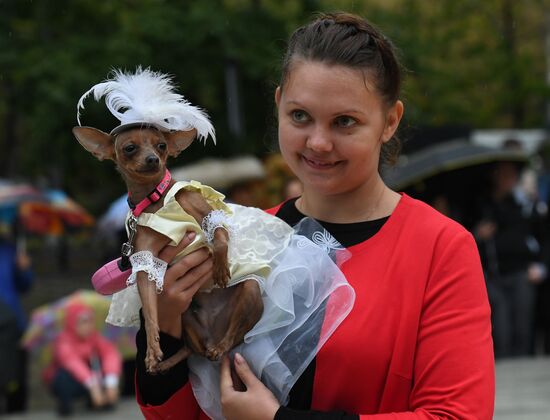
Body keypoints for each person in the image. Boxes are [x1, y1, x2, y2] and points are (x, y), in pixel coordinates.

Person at [128, 12, 495, 419]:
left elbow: (459, 414)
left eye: (345, 122)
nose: (318, 142)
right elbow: (181, 414)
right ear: (279, 104)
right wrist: (163, 324)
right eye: (300, 116)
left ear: (390, 122)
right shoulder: (238, 235)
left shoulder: (440, 248)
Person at [474, 160, 547, 358]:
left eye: (512, 175)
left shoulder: (523, 203)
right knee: (501, 329)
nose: (509, 180)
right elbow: (470, 238)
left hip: (521, 273)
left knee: (523, 328)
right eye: (504, 174)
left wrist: (541, 266)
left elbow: (541, 236)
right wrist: (479, 235)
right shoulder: (483, 204)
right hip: (495, 275)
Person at [42, 301, 122, 416]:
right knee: (63, 376)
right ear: (72, 322)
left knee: (101, 365)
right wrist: (93, 386)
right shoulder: (63, 340)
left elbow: (111, 354)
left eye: (90, 321)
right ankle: (65, 405)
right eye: (83, 322)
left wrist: (111, 382)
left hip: (91, 378)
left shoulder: (95, 337)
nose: (88, 326)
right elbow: (72, 363)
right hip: (72, 381)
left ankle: (102, 400)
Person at [0, 223, 34, 414]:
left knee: (15, 370)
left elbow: (25, 285)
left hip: (11, 320)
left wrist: (24, 269)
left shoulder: (9, 249)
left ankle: (16, 408)